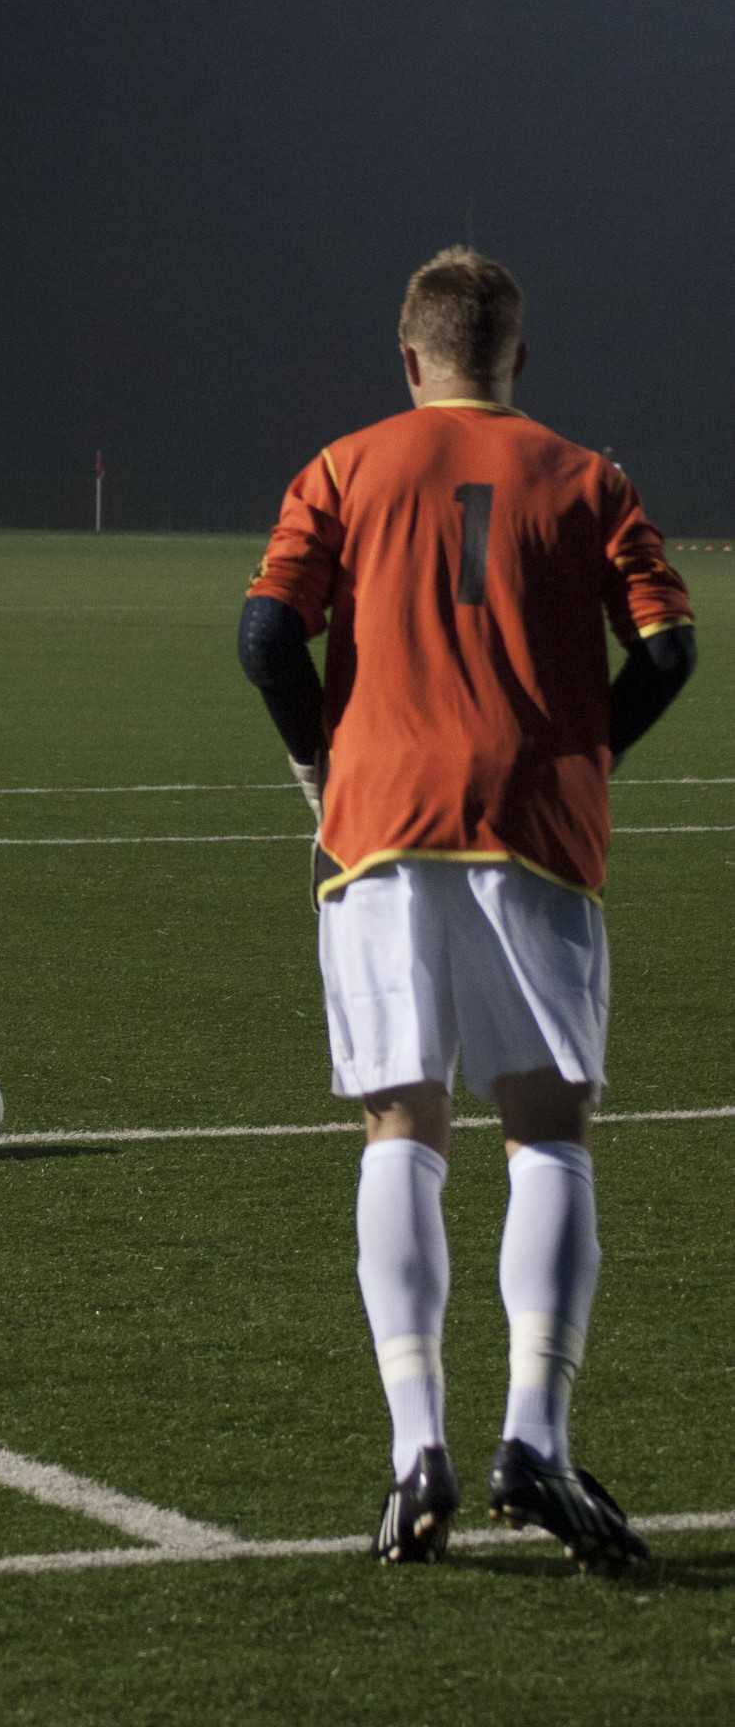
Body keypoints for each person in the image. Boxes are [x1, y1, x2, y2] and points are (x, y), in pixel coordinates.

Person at [238, 247, 695, 1569]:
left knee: (402, 1126)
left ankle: (413, 1448)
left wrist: (314, 760)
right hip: (535, 833)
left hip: (375, 822)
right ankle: (532, 1439)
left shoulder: (339, 469)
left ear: (407, 357)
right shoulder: (588, 478)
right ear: (516, 362)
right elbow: (669, 647)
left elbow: (268, 635)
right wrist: (586, 750)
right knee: (545, 1131)